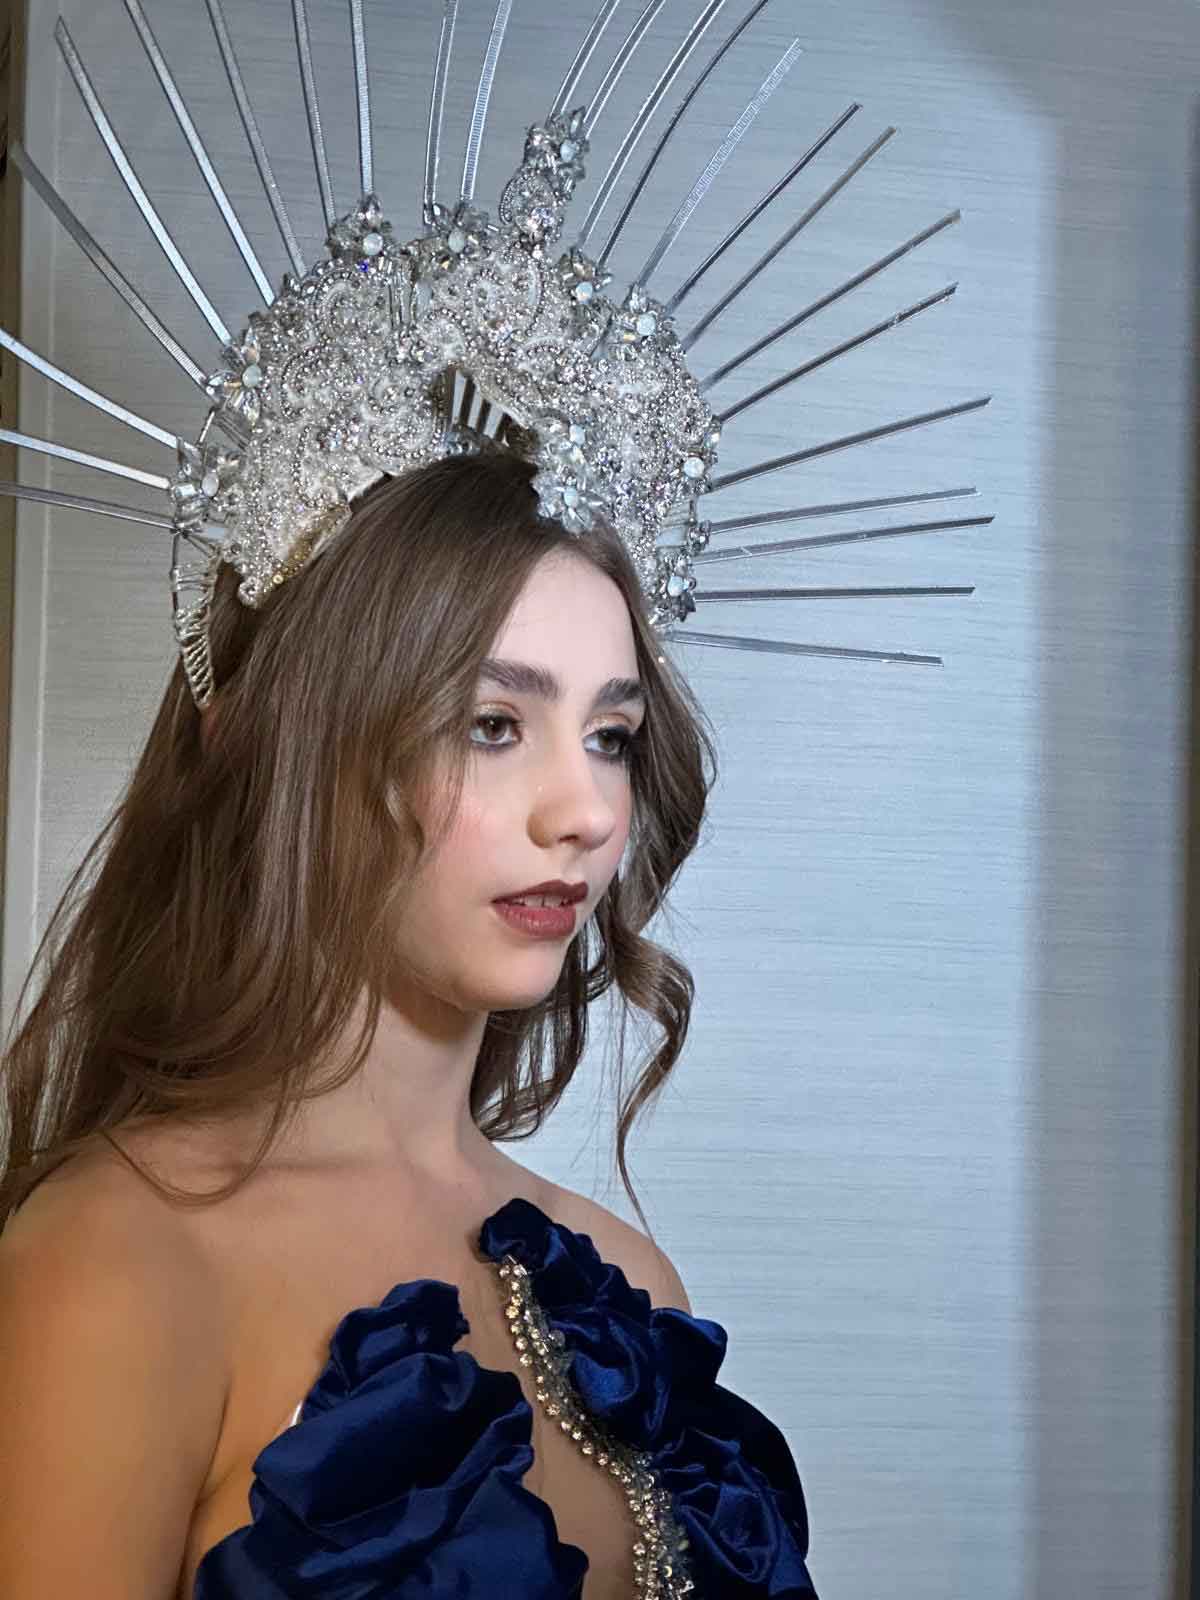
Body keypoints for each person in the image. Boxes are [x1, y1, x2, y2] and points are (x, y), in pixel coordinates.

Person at [0, 452, 819, 1597]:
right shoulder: (120, 1262)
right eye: (492, 723)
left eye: (610, 735)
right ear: (282, 743)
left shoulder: (630, 1291)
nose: (584, 812)